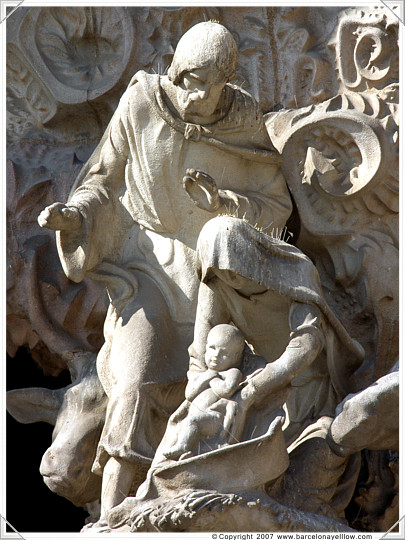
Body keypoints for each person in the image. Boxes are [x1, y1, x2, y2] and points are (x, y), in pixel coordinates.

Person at [37, 22, 292, 525]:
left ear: (227, 84)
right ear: (173, 70)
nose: (196, 95)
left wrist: (225, 202)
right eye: (189, 80)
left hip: (216, 282)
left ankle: (201, 501)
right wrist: (76, 217)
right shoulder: (141, 105)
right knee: (134, 380)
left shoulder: (243, 123)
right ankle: (111, 517)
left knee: (219, 390)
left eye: (209, 86)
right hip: (146, 269)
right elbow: (103, 180)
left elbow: (276, 208)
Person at [189, 215, 365, 520]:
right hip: (253, 383)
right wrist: (200, 391)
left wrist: (254, 390)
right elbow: (200, 351)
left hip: (307, 385)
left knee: (299, 471)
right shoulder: (215, 279)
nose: (228, 278)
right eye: (220, 271)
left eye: (233, 269)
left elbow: (306, 346)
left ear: (248, 254)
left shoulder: (295, 272)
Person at [163, 324, 245, 460]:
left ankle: (183, 447)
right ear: (206, 348)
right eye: (212, 348)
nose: (216, 355)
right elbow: (189, 395)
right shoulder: (203, 374)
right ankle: (186, 454)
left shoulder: (232, 372)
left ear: (236, 357)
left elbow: (227, 390)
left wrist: (212, 378)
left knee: (193, 421)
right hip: (194, 419)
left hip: (215, 418)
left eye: (224, 353)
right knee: (187, 424)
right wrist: (206, 377)